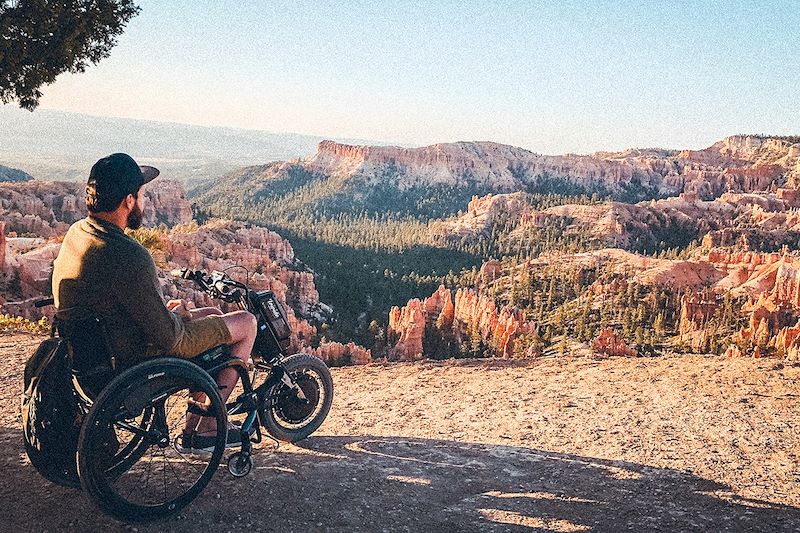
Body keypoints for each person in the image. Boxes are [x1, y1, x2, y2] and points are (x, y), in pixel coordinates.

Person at [51, 153, 257, 452]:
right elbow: (173, 340)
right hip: (128, 365)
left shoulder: (78, 232)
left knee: (211, 312)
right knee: (245, 323)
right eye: (143, 195)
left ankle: (191, 429)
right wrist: (175, 318)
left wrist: (171, 313)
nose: (145, 202)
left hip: (91, 357)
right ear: (129, 201)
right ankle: (209, 425)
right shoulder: (127, 254)